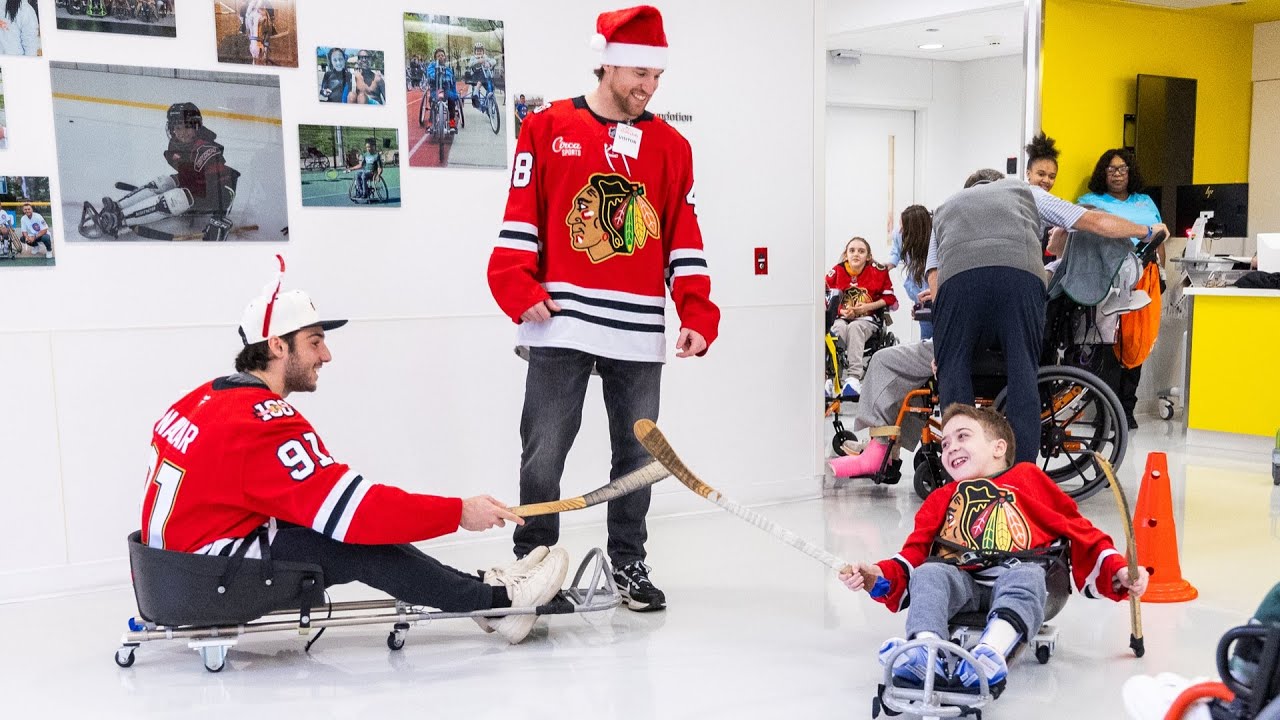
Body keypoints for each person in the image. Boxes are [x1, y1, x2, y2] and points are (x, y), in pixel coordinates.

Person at [140, 271, 571, 645]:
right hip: (208, 582)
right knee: (352, 539)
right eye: (314, 342)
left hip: (175, 573)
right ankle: (498, 604)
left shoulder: (201, 398)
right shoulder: (261, 421)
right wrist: (459, 512)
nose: (325, 355)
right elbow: (360, 515)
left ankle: (482, 593)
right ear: (277, 346)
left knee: (336, 527)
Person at [487, 5, 718, 613]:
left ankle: (630, 562)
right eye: (639, 72)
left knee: (638, 457)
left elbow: (683, 236)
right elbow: (520, 221)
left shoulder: (671, 147)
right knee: (543, 448)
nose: (649, 86)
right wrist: (518, 286)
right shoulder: (545, 127)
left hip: (638, 329)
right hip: (558, 318)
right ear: (608, 62)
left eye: (657, 77)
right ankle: (533, 559)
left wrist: (696, 312)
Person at [839, 404, 1149, 689]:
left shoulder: (1028, 477)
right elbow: (914, 554)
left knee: (1027, 576)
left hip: (1030, 583)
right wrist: (878, 574)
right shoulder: (940, 498)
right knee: (930, 573)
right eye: (945, 443)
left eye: (963, 436)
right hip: (965, 587)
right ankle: (924, 650)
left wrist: (1117, 569)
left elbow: (1079, 529)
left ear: (998, 448)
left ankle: (992, 652)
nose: (951, 447)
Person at [922, 169, 1169, 465]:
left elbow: (935, 277)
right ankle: (1022, 469)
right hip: (1019, 276)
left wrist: (945, 348)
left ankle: (963, 466)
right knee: (1023, 370)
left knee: (954, 369)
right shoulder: (1024, 192)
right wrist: (1147, 231)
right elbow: (1090, 219)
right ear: (1000, 181)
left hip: (959, 283)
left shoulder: (945, 208)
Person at [1077, 149, 1164, 430]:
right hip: (1106, 279)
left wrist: (1162, 274)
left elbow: (1159, 235)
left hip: (1144, 277)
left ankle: (1127, 410)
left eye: (1122, 168)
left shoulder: (1145, 202)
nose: (1117, 173)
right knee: (1107, 346)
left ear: (1130, 172)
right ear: (1103, 173)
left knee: (1135, 342)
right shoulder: (1090, 203)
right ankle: (1106, 410)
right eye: (1111, 169)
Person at [96, 102, 240, 242]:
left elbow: (226, 188)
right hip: (195, 187)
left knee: (176, 197)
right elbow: (189, 174)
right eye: (178, 127)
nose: (182, 133)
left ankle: (119, 220)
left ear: (196, 127)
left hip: (211, 197)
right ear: (171, 129)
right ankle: (118, 207)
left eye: (187, 127)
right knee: (163, 182)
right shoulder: (176, 144)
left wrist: (219, 218)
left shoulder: (205, 150)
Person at [826, 236, 896, 399]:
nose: (856, 254)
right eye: (852, 251)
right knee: (837, 329)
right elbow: (825, 295)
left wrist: (866, 308)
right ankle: (831, 376)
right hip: (842, 317)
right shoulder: (836, 271)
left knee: (855, 328)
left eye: (861, 251)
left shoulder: (878, 271)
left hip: (866, 320)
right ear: (846, 255)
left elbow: (890, 299)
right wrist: (841, 311)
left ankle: (853, 378)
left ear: (868, 256)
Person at [886, 205, 933, 339]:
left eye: (903, 226)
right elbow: (896, 251)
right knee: (926, 337)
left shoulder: (934, 239)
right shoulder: (899, 234)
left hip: (934, 291)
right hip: (920, 292)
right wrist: (888, 265)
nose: (900, 230)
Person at [424, 48, 459, 133]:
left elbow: (453, 83)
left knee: (451, 101)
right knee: (433, 101)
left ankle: (452, 124)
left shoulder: (449, 69)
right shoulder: (431, 67)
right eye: (438, 56)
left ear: (445, 57)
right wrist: (437, 73)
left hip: (446, 90)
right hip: (435, 89)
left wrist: (455, 94)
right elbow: (430, 75)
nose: (440, 57)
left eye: (442, 55)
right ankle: (431, 123)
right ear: (435, 58)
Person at [467, 42, 496, 107]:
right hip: (476, 76)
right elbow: (469, 64)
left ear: (483, 51)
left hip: (485, 77)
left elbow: (494, 61)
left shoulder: (485, 57)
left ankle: (489, 99)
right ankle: (475, 93)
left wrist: (489, 63)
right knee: (482, 76)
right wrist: (478, 61)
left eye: (480, 51)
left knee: (491, 86)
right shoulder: (473, 58)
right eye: (477, 51)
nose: (479, 52)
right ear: (475, 52)